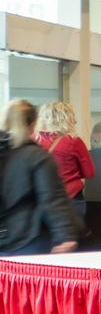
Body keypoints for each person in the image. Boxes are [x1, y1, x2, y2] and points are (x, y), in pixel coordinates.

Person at [0, 101, 85, 255]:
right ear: (32, 124)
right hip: (27, 237)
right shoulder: (36, 156)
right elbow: (51, 197)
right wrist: (65, 234)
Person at [34, 100, 93, 216]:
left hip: (40, 200)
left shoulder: (32, 141)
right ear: (65, 119)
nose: (75, 121)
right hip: (70, 199)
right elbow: (89, 172)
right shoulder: (74, 142)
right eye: (72, 117)